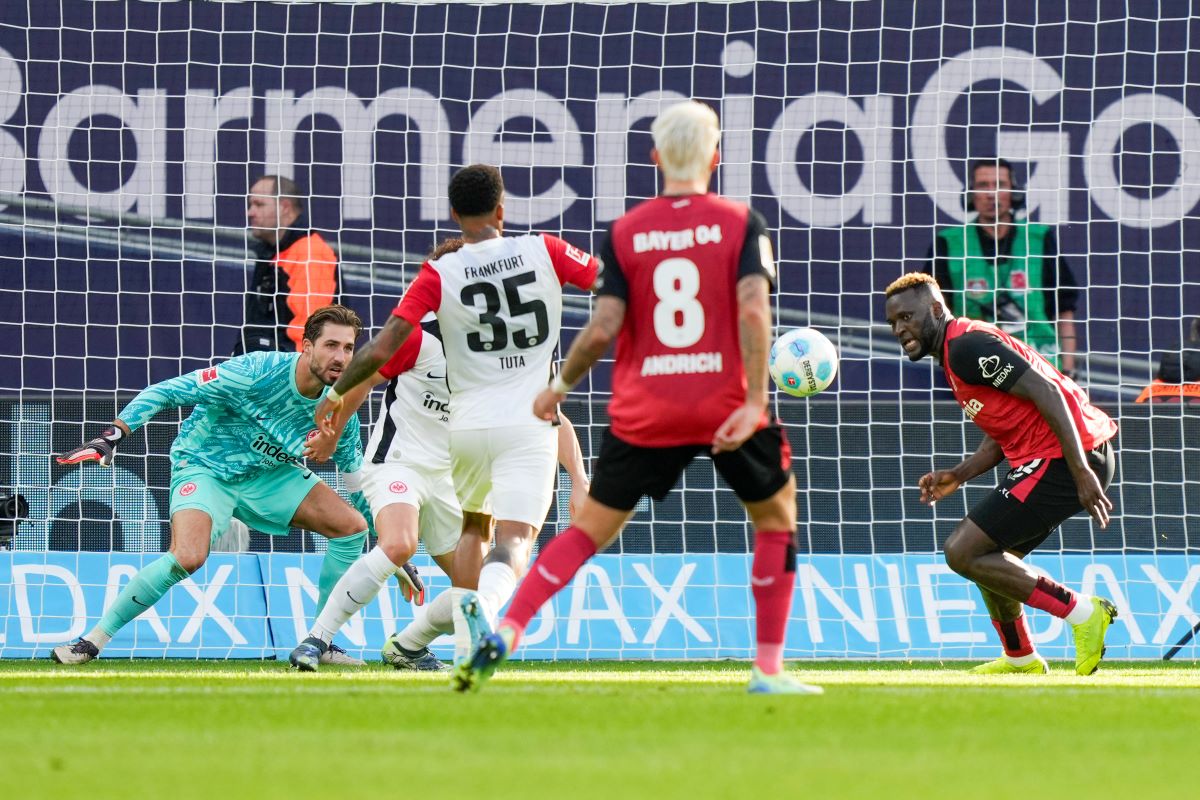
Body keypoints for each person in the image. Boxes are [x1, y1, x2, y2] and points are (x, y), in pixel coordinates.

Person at [456, 100, 822, 696]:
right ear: (716, 156)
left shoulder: (626, 233)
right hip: (724, 401)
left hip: (647, 406)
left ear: (654, 159)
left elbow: (602, 327)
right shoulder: (740, 222)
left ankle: (511, 629)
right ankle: (769, 669)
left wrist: (557, 387)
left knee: (587, 531)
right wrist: (755, 400)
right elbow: (754, 310)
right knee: (776, 517)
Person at [310, 166, 598, 669]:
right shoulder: (543, 251)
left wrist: (333, 394)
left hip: (464, 439)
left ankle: (414, 644)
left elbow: (378, 348)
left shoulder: (442, 278)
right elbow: (611, 286)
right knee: (511, 543)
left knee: (474, 531)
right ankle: (468, 634)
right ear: (502, 210)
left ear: (453, 214)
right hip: (513, 427)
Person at [51, 305, 418, 665]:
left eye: (349, 348)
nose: (341, 357)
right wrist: (111, 437)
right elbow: (165, 391)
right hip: (206, 466)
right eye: (331, 346)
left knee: (352, 528)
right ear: (306, 346)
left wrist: (391, 546)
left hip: (268, 475)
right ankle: (91, 642)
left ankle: (320, 641)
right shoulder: (255, 371)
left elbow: (356, 479)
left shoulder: (341, 406)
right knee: (189, 556)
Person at [883, 272, 1119, 675]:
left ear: (936, 309)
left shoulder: (965, 347)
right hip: (1059, 455)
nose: (900, 329)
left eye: (907, 316)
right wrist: (959, 474)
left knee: (964, 551)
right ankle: (1021, 657)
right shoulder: (957, 352)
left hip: (1068, 455)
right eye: (894, 323)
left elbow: (1050, 391)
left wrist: (1079, 468)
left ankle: (1083, 613)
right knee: (990, 561)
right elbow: (1002, 435)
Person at [924, 158, 1079, 375]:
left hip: (1042, 366)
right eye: (982, 186)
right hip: (975, 369)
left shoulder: (1039, 238)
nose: (991, 194)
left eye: (999, 185)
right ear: (970, 195)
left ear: (1014, 193)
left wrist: (1069, 370)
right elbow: (934, 315)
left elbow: (1064, 308)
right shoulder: (949, 243)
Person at [236, 175, 339, 355]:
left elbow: (310, 329)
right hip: (267, 369)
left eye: (259, 205)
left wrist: (296, 378)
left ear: (285, 207)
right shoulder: (273, 252)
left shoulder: (309, 253)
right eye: (250, 205)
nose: (250, 212)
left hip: (288, 374)